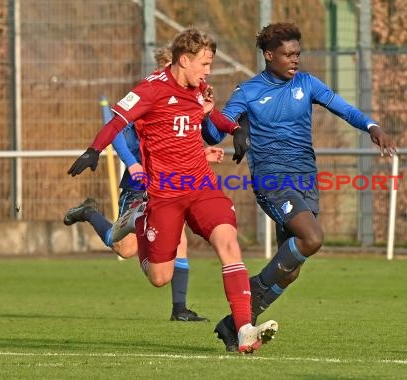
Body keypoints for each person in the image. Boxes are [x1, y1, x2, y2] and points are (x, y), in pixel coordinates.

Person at [66, 28, 278, 354]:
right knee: (159, 277)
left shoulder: (199, 89)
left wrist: (234, 129)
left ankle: (244, 329)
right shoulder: (151, 90)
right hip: (164, 194)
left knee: (228, 242)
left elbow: (212, 115)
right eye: (205, 64)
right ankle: (139, 218)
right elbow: (117, 119)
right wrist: (94, 149)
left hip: (201, 184)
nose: (208, 71)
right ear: (184, 60)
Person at [212, 22, 397, 352]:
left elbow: (343, 108)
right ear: (269, 56)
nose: (295, 60)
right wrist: (233, 128)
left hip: (305, 180)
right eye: (287, 55)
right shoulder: (248, 91)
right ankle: (251, 289)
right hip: (271, 179)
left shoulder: (307, 84)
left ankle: (232, 326)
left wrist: (372, 126)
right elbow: (216, 129)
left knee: (291, 273)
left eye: (297, 54)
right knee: (313, 237)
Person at [63, 48, 226, 323]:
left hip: (170, 185)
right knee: (124, 248)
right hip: (140, 184)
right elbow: (116, 132)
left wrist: (204, 152)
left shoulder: (190, 97)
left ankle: (179, 309)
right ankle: (90, 212)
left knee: (179, 238)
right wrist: (132, 163)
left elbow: (181, 142)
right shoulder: (148, 95)